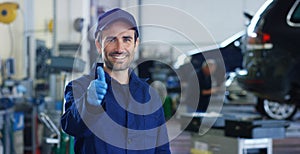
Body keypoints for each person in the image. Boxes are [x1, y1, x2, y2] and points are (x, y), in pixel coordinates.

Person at [61, 8, 171, 153]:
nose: (119, 48)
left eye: (126, 39)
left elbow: (161, 150)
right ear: (99, 45)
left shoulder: (149, 95)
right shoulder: (79, 88)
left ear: (136, 43)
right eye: (111, 39)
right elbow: (70, 127)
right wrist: (88, 104)